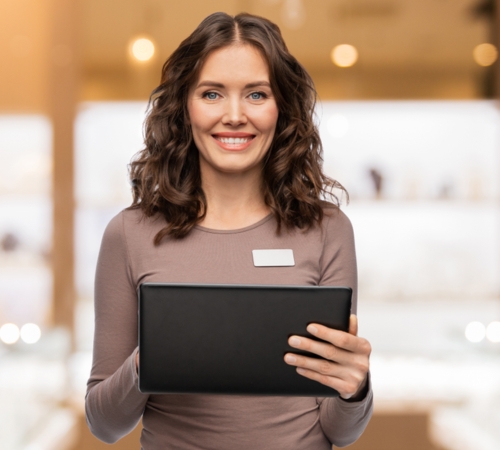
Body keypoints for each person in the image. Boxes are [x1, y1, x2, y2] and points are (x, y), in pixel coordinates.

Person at [86, 11, 373, 450]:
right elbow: (105, 425)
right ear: (184, 106)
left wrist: (355, 389)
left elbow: (339, 430)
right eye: (212, 93)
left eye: (257, 94)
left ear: (283, 109)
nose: (234, 115)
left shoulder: (327, 230)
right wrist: (150, 360)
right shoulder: (130, 234)